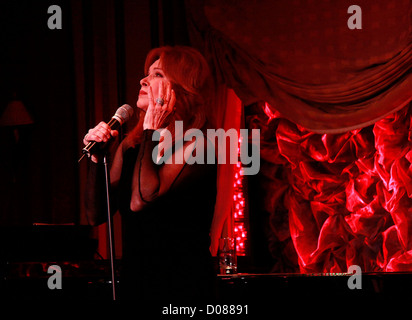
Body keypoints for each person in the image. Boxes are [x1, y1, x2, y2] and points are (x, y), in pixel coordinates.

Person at [83, 46, 217, 301]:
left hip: (182, 285)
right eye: (147, 74)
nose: (143, 80)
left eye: (157, 75)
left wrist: (151, 131)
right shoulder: (131, 146)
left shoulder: (201, 143)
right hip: (137, 280)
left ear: (181, 88)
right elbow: (95, 213)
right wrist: (96, 158)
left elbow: (141, 200)